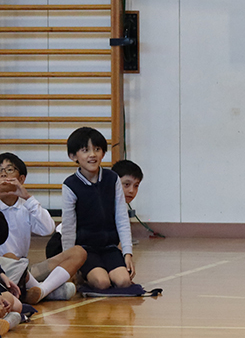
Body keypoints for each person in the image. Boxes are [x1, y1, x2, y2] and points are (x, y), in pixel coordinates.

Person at [26, 128, 134, 304]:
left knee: (123, 281)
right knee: (102, 283)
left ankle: (104, 268)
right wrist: (72, 266)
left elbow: (122, 218)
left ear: (103, 153)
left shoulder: (112, 178)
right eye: (85, 150)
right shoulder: (70, 185)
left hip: (109, 247)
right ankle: (85, 273)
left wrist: (127, 253)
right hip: (85, 249)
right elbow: (68, 226)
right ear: (73, 156)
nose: (92, 155)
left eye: (97, 149)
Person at [0, 152, 78, 302]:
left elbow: (48, 229)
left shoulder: (26, 206)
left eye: (9, 170)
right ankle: (45, 291)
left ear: (21, 179)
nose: (3, 175)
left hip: (24, 269)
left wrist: (28, 198)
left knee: (77, 252)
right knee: (9, 257)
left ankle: (39, 290)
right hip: (2, 271)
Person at [44, 158, 143, 261]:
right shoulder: (100, 201)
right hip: (62, 244)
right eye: (126, 184)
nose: (132, 190)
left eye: (136, 186)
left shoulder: (119, 207)